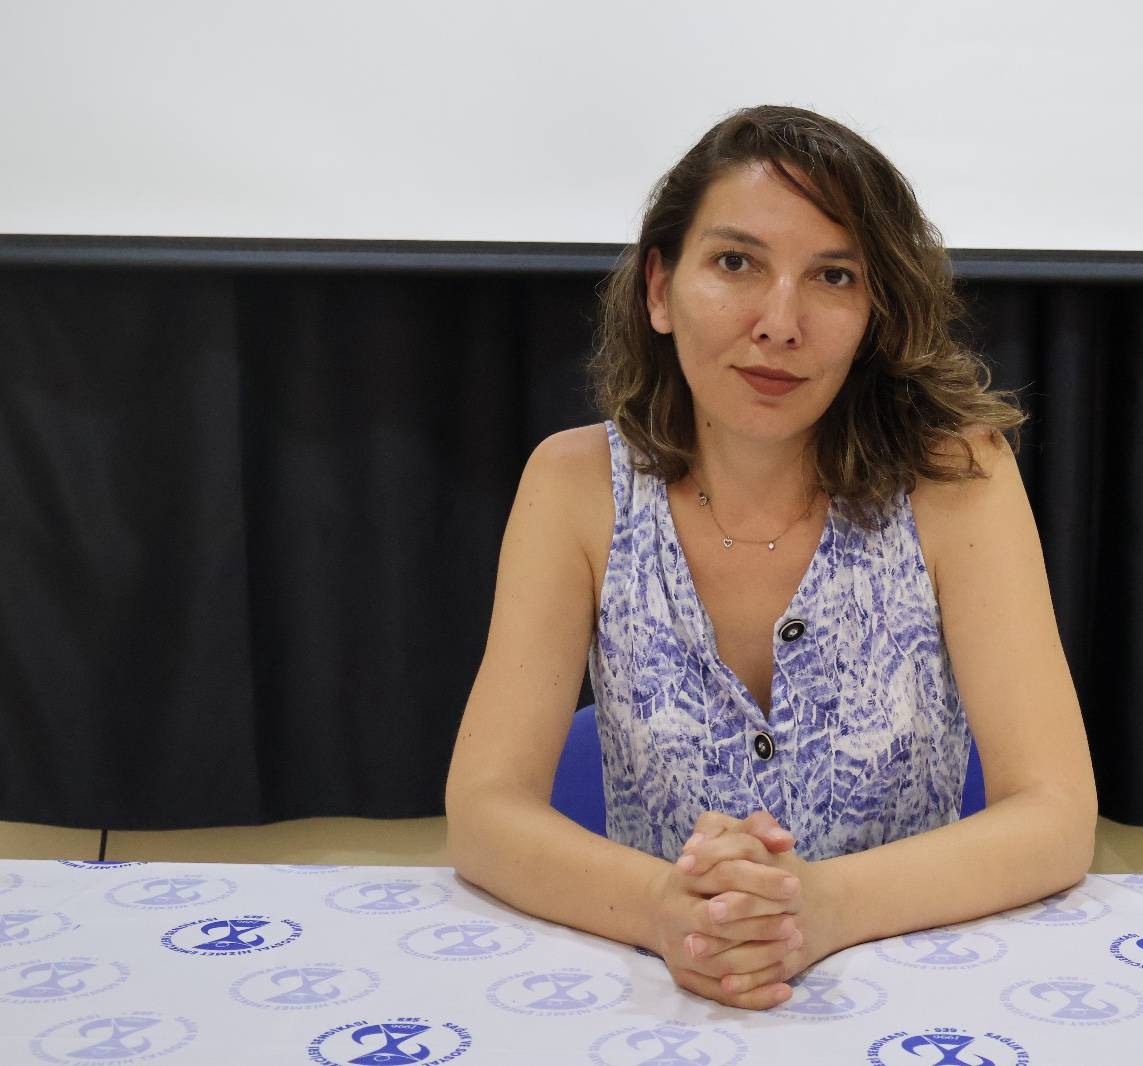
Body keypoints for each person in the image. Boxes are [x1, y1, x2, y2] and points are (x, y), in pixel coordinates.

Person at [445, 104, 1096, 1011]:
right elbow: (484, 810)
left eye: (833, 275)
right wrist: (663, 910)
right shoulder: (572, 485)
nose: (780, 323)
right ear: (659, 289)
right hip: (659, 1000)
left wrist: (820, 909)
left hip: (911, 996)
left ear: (874, 313)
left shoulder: (959, 477)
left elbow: (1057, 816)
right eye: (736, 263)